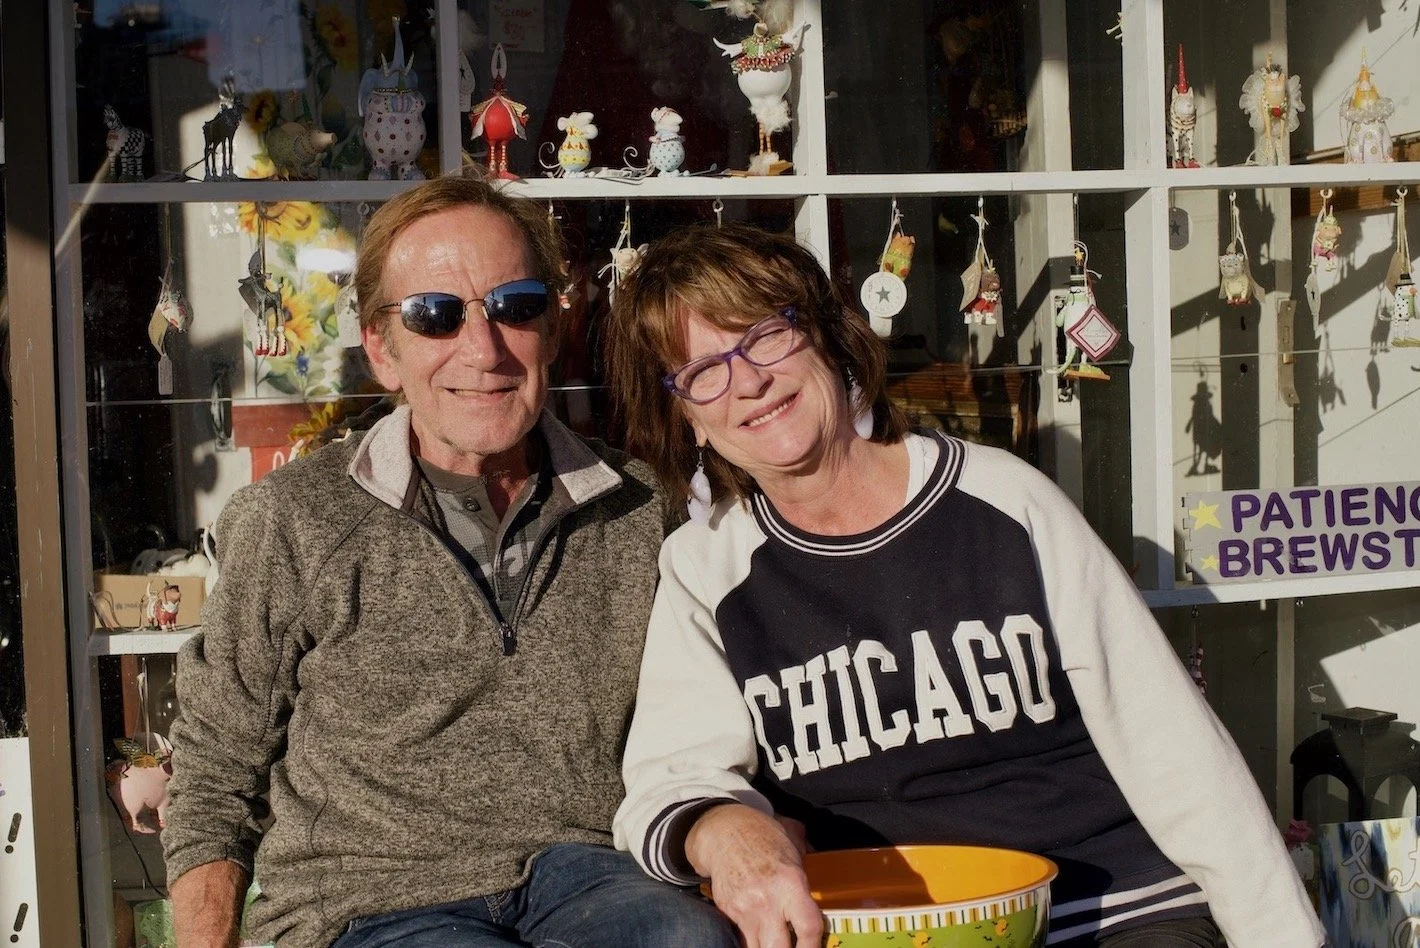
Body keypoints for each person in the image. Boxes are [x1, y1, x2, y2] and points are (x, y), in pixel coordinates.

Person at [605, 223, 1324, 948]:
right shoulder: (707, 568)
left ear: (826, 337)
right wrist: (726, 830)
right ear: (688, 418)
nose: (748, 381)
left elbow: (1169, 742)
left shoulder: (1006, 501)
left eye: (766, 336)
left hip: (1112, 910)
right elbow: (672, 775)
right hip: (882, 931)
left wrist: (1281, 937)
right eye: (704, 372)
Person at [162, 173, 737, 948]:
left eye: (516, 306)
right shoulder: (294, 520)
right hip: (367, 903)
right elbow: (215, 770)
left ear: (553, 327)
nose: (483, 349)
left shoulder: (637, 508)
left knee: (688, 939)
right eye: (434, 315)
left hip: (590, 877)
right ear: (381, 349)